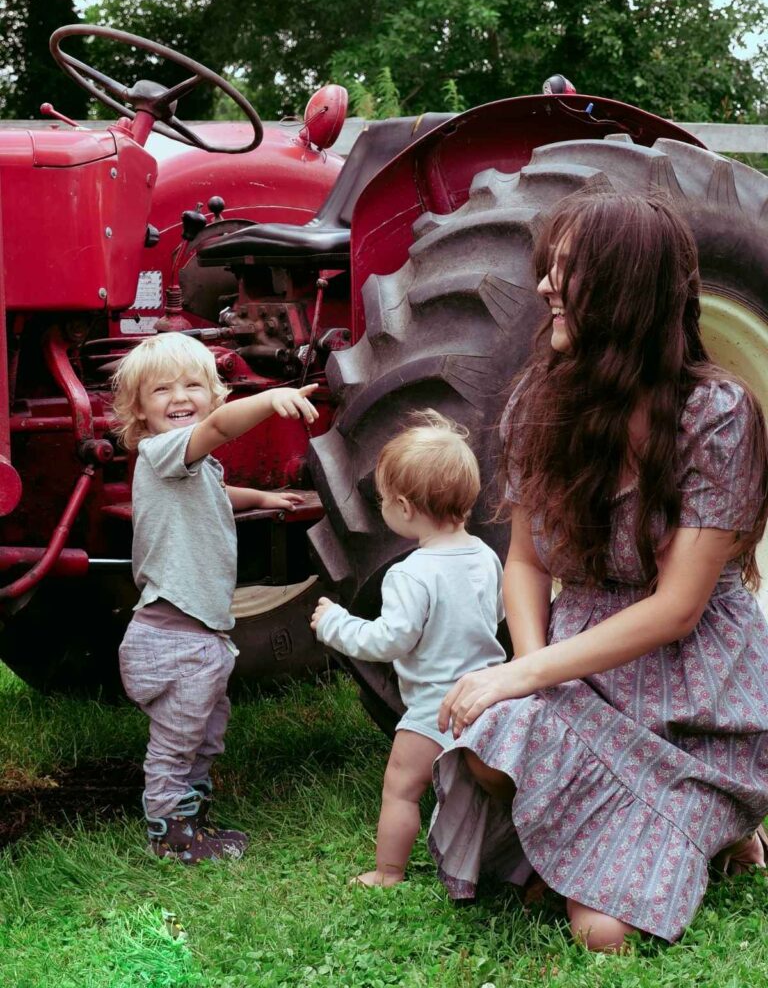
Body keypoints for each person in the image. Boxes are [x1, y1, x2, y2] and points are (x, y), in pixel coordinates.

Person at [428, 192, 768, 951]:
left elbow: (679, 608)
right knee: (488, 740)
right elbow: (522, 559)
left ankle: (712, 821)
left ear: (629, 289)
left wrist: (527, 680)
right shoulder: (541, 401)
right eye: (549, 264)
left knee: (603, 936)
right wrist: (531, 673)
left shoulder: (716, 415)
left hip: (694, 701)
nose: (547, 283)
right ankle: (632, 836)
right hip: (578, 670)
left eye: (569, 269)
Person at [112, 331, 318, 863]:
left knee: (205, 734)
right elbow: (220, 428)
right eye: (161, 390)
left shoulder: (194, 467)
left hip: (199, 636)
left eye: (192, 385)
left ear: (213, 390)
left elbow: (218, 492)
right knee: (176, 744)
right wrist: (270, 400)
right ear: (138, 409)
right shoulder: (161, 451)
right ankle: (167, 833)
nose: (179, 397)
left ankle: (192, 820)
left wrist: (261, 497)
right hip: (170, 638)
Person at [311, 410, 506, 887]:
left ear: (402, 506)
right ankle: (499, 862)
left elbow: (389, 640)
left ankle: (388, 872)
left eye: (382, 500)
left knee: (401, 788)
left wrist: (335, 624)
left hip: (432, 711)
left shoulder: (410, 573)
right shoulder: (486, 556)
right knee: (492, 791)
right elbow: (496, 618)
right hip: (488, 699)